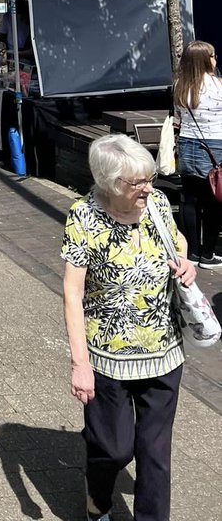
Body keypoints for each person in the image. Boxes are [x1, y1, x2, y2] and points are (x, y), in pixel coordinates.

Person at [62, 134, 196, 521]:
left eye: (148, 179)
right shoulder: (83, 216)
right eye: (136, 183)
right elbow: (73, 293)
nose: (147, 188)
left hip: (163, 350)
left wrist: (186, 263)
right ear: (109, 182)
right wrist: (80, 363)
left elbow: (178, 241)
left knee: (155, 456)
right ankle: (97, 497)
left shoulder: (155, 203)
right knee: (115, 449)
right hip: (108, 358)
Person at [172, 40, 222, 268]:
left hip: (187, 144)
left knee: (190, 199)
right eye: (213, 56)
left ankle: (192, 251)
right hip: (214, 146)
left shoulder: (179, 86)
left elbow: (178, 118)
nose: (216, 59)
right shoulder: (218, 86)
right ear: (205, 60)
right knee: (214, 200)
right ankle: (208, 254)